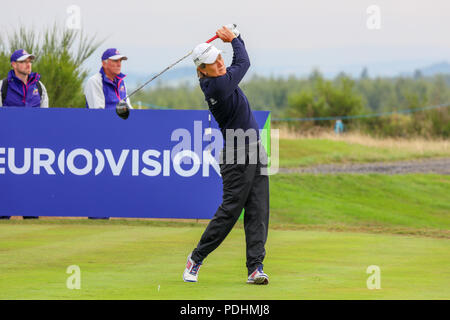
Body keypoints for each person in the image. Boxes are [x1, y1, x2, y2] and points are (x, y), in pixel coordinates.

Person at [183, 26, 270, 285]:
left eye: (219, 58)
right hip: (237, 153)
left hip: (255, 148)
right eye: (212, 62)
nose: (220, 64)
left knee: (258, 209)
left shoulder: (221, 76)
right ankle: (196, 258)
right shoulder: (216, 87)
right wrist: (234, 39)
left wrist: (235, 39)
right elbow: (244, 61)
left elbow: (237, 61)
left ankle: (255, 268)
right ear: (202, 71)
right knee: (231, 211)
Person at [0, 49, 49, 220]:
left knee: (31, 186)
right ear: (13, 65)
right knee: (6, 184)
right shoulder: (2, 86)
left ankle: (31, 216)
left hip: (32, 145)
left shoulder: (39, 87)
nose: (28, 64)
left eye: (29, 61)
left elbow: (45, 117)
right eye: (23, 61)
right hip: (8, 145)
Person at [84, 48, 132, 220]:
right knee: (99, 180)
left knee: (112, 180)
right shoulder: (94, 81)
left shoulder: (121, 82)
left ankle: (106, 216)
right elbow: (98, 114)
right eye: (115, 60)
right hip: (99, 138)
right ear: (104, 63)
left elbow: (128, 108)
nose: (119, 64)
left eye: (121, 60)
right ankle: (96, 217)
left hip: (118, 137)